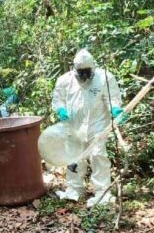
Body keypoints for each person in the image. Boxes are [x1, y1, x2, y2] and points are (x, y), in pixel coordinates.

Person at [52, 49, 124, 207]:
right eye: (80, 71)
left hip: (97, 125)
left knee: (98, 156)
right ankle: (74, 190)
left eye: (87, 71)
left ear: (93, 67)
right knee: (74, 158)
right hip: (74, 126)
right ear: (74, 69)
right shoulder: (64, 80)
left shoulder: (105, 77)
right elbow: (58, 99)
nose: (84, 74)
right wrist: (60, 110)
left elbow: (112, 98)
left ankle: (102, 192)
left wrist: (115, 109)